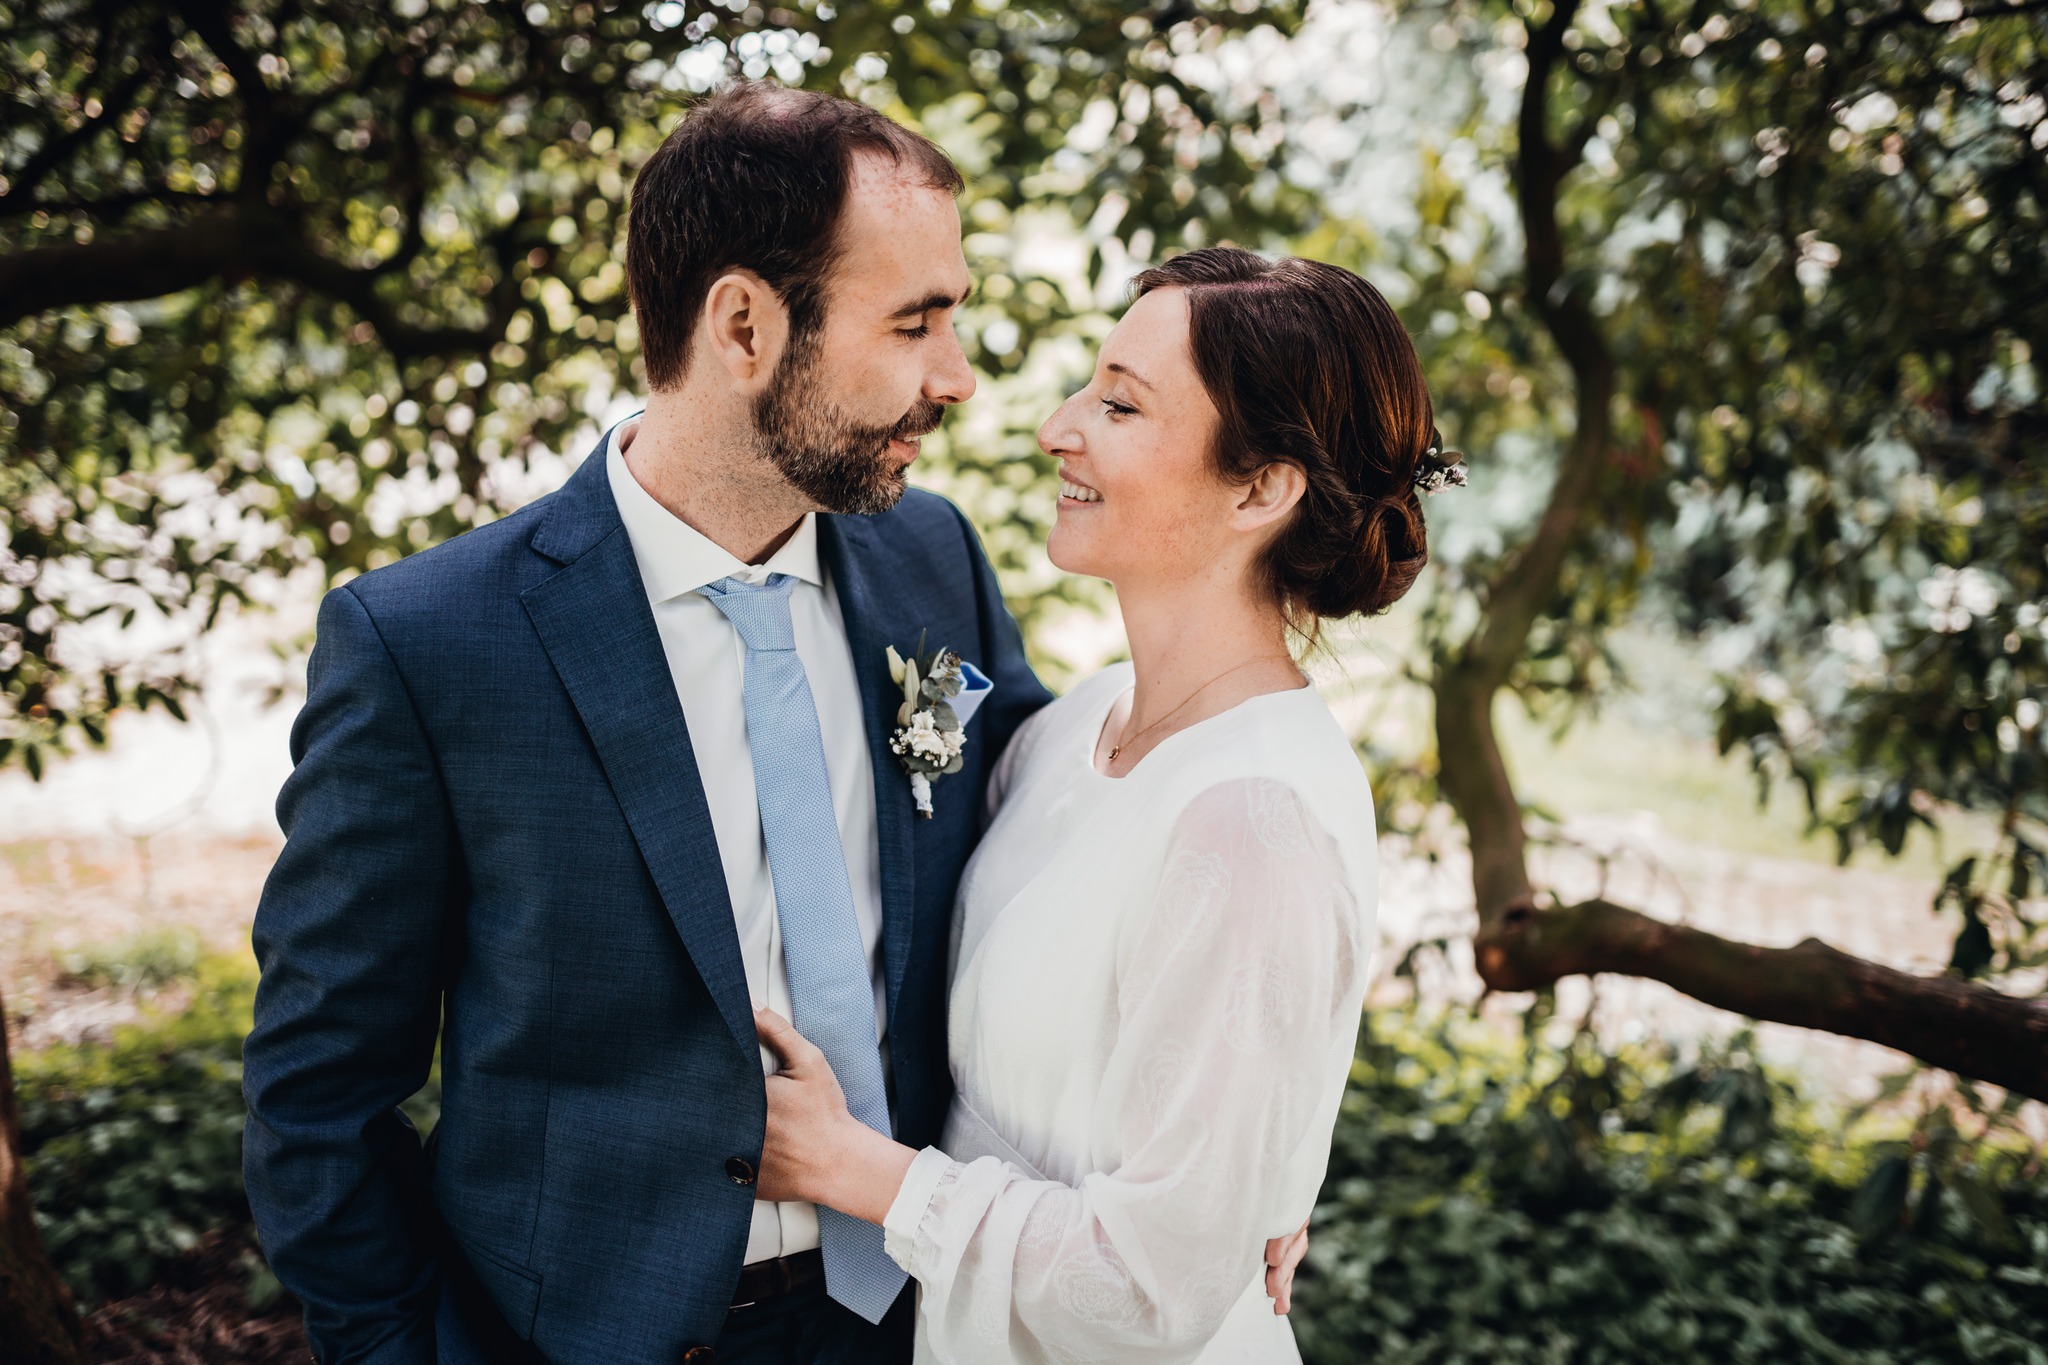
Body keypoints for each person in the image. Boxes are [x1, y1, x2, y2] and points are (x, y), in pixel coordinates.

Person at [240, 83, 1052, 1364]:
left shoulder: (930, 566)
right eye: (913, 324)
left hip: (919, 1317)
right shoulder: (430, 645)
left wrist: (1205, 1165)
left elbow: (1061, 854)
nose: (955, 378)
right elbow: (317, 1095)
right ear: (742, 326)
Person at [751, 246, 1460, 1364]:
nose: (1055, 427)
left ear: (1259, 488)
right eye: (1089, 384)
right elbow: (931, 754)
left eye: (1119, 405)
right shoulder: (1073, 727)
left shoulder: (1252, 822)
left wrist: (854, 1171)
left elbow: (1147, 1288)